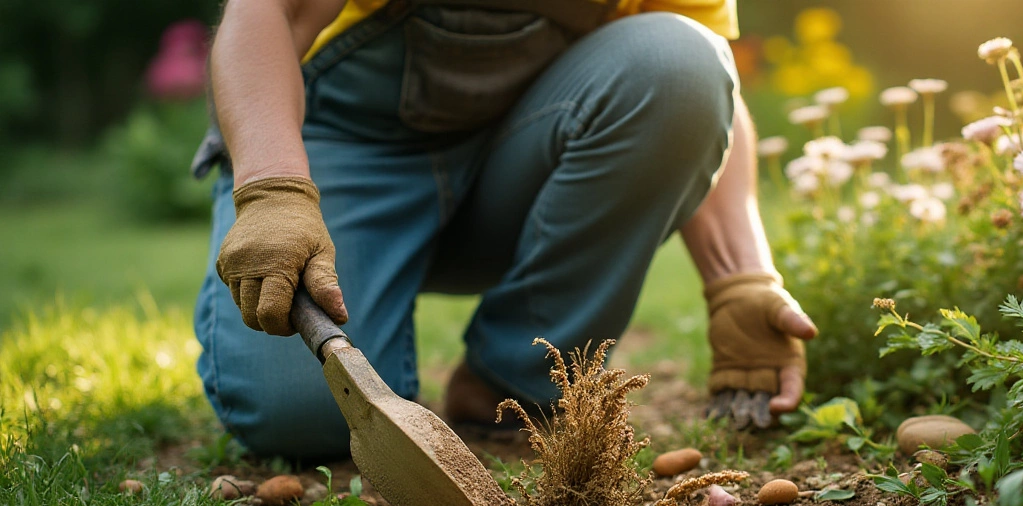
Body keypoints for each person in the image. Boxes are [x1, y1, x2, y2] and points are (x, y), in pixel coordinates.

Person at [194, 0, 818, 459]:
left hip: (519, 152)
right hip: (339, 151)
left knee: (679, 59)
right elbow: (270, 11)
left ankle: (508, 382)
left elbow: (700, 78)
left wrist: (742, 282)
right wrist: (274, 186)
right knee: (310, 420)